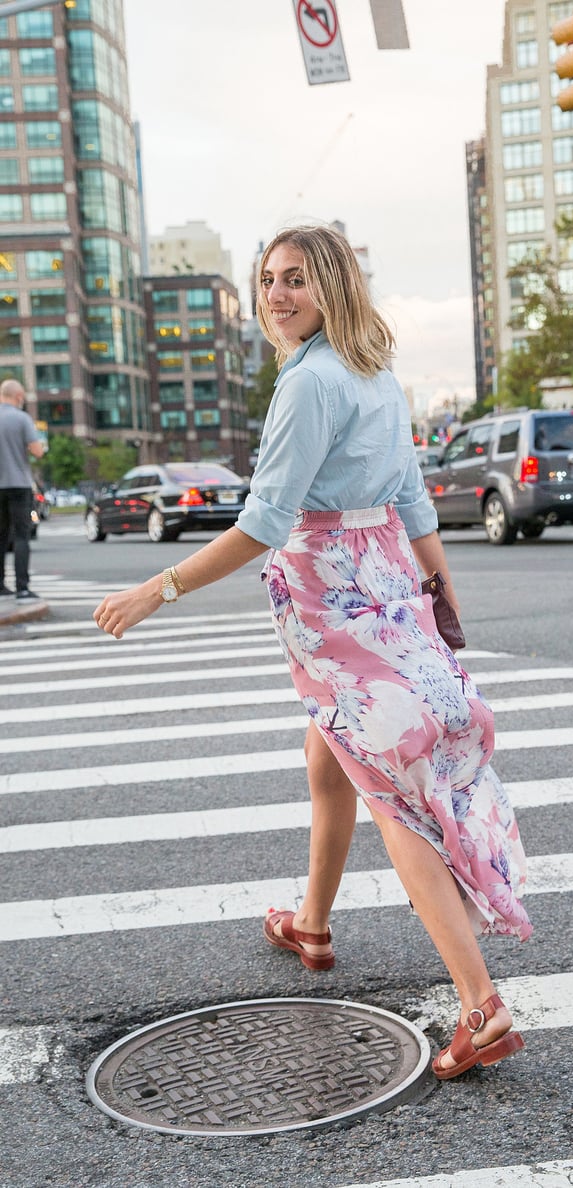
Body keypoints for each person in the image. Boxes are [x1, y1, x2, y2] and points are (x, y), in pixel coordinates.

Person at [94, 224, 532, 1080]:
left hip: (331, 593)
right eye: (267, 280)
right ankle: (313, 925)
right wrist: (442, 596)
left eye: (295, 278)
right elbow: (412, 507)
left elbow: (264, 522)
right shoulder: (377, 375)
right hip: (386, 582)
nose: (276, 294)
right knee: (333, 750)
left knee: (386, 788)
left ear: (332, 285)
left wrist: (157, 590)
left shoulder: (311, 384)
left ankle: (481, 1006)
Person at [0, 378, 46, 601]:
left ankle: (0, 585)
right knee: (20, 536)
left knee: (0, 536)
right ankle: (22, 587)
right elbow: (37, 451)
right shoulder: (22, 418)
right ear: (19, 397)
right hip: (18, 483)